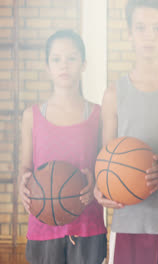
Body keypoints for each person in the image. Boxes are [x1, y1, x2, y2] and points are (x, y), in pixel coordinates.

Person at [93, 1, 158, 263]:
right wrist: (102, 185)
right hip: (130, 221)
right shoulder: (114, 94)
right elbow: (105, 158)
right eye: (140, 28)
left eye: (157, 28)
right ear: (129, 33)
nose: (149, 36)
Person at [19, 29, 107, 264]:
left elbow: (105, 169)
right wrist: (23, 187)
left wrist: (95, 185)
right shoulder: (32, 116)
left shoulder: (98, 114)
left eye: (71, 58)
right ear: (47, 67)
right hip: (43, 225)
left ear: (83, 64)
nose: (64, 65)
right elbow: (25, 168)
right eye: (56, 59)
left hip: (88, 224)